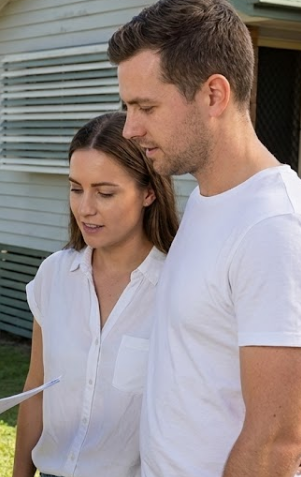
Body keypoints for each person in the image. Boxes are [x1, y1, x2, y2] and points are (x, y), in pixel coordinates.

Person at [108, 0, 301, 477]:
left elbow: (274, 445)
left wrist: (288, 428)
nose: (129, 129)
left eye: (145, 107)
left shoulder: (279, 227)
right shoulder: (207, 200)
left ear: (214, 95)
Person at [12, 112, 179, 477]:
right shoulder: (53, 274)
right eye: (76, 188)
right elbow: (36, 389)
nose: (85, 208)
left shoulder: (179, 287)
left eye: (104, 193)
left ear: (149, 191)